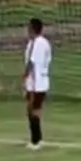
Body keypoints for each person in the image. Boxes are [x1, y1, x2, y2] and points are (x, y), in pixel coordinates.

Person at [22, 18, 52, 149]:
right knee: (35, 110)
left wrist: (25, 75)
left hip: (36, 82)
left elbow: (32, 62)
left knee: (32, 110)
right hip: (41, 81)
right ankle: (38, 138)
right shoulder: (39, 42)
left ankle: (35, 140)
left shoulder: (38, 43)